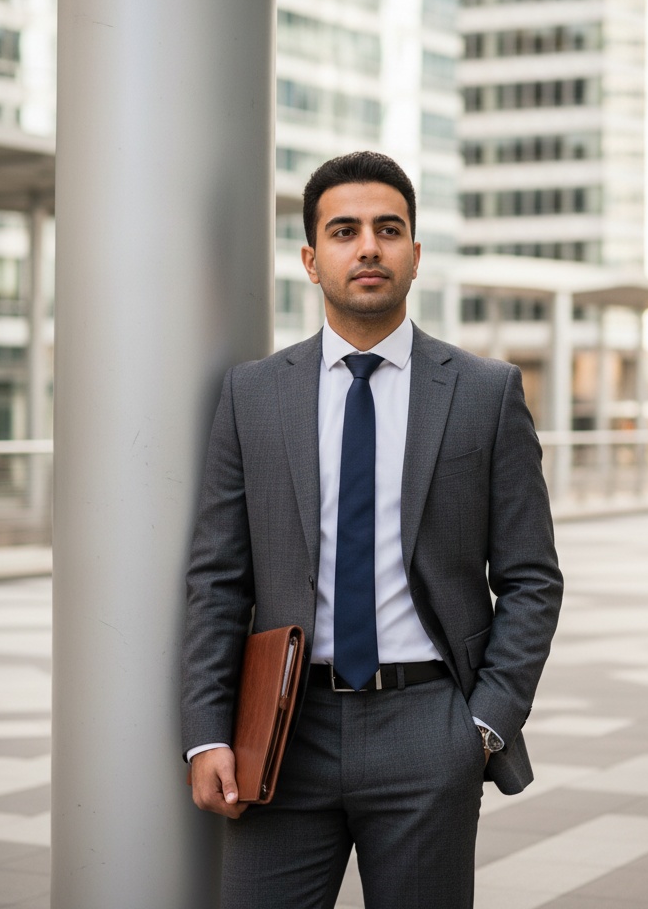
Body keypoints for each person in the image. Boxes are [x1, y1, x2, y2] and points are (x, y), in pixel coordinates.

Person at [182, 151, 562, 909]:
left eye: (388, 230)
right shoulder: (254, 394)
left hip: (429, 726)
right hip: (282, 731)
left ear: (415, 256)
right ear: (311, 259)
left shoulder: (485, 394)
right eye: (344, 230)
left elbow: (531, 578)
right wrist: (206, 732)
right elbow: (218, 578)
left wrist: (481, 727)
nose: (368, 247)